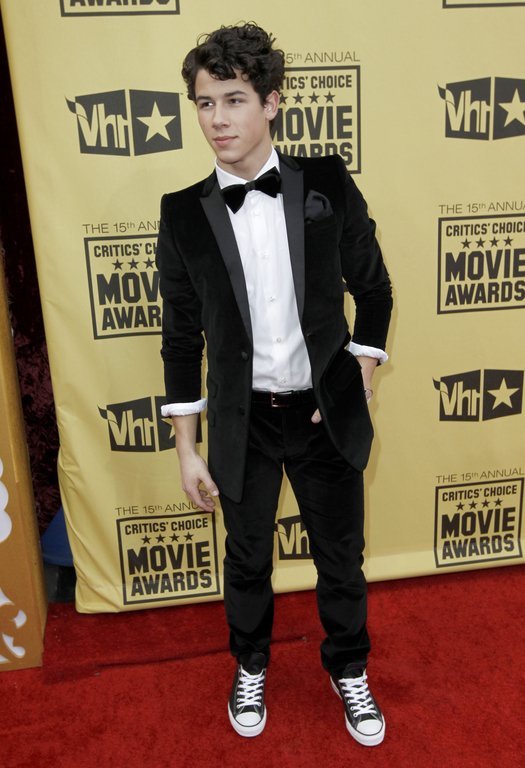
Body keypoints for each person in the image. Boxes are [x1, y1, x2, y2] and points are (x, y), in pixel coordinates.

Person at [156, 22, 392, 747]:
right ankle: (250, 664)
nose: (217, 119)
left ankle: (348, 667)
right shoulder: (182, 212)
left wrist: (360, 368)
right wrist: (186, 449)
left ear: (271, 102)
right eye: (204, 103)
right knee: (247, 558)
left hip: (322, 415)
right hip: (244, 421)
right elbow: (181, 339)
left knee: (340, 559)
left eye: (233, 100)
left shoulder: (325, 182)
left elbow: (373, 288)